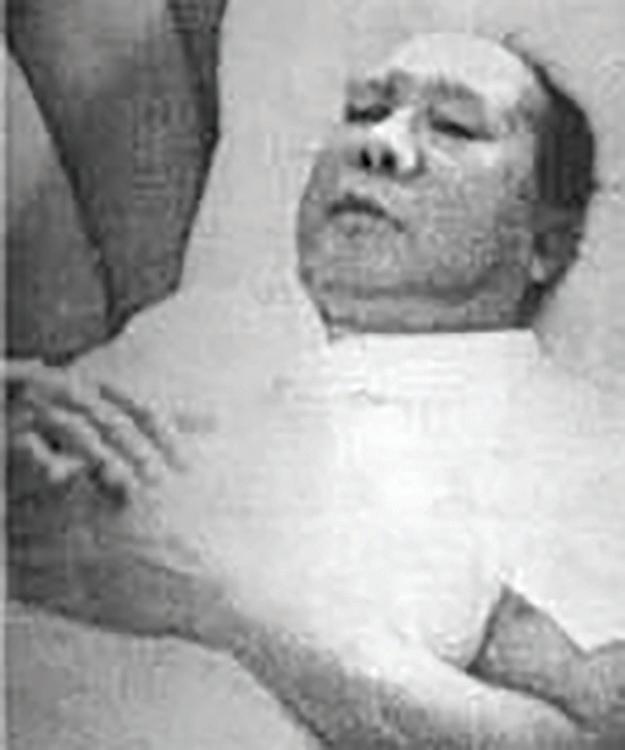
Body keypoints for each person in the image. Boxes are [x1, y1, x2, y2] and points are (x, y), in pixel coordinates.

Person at [7, 32, 625, 748]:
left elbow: (579, 741)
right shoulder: (201, 326)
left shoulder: (568, 444)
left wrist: (212, 596)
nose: (379, 145)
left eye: (454, 127)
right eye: (363, 112)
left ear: (545, 243)